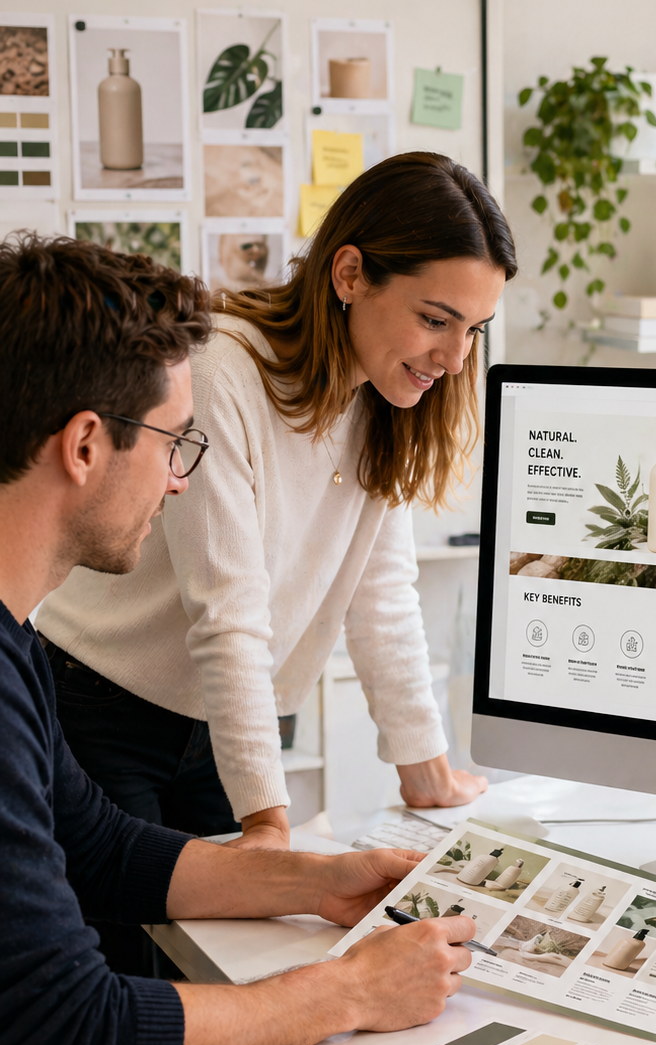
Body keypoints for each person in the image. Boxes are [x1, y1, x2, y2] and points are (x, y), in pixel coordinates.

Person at [0, 234, 538, 1045]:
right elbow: (74, 1042)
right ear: (87, 445)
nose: (180, 478)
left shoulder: (13, 641)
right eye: (170, 444)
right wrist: (344, 989)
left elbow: (110, 851)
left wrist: (320, 876)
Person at [37, 151, 517, 974]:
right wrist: (270, 831)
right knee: (135, 975)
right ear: (351, 273)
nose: (454, 358)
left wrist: (426, 771)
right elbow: (229, 614)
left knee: (238, 966)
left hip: (221, 724)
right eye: (436, 319)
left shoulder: (385, 399)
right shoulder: (226, 370)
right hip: (105, 712)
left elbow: (382, 596)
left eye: (473, 330)